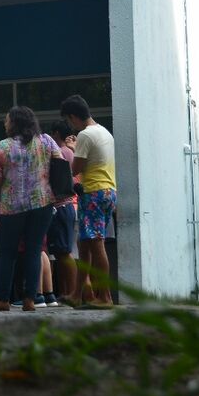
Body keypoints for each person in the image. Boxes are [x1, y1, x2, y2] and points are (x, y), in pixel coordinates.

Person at [0, 106, 62, 312]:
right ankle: (30, 299)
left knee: (8, 253)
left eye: (7, 120)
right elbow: (60, 165)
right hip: (42, 203)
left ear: (15, 123)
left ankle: (2, 299)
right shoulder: (46, 141)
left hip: (12, 206)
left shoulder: (2, 147)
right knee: (34, 251)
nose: (5, 123)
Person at [60, 94, 117, 308]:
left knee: (96, 243)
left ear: (74, 117)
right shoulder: (104, 132)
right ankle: (78, 294)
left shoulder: (85, 135)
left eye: (69, 120)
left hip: (92, 192)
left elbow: (76, 169)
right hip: (108, 191)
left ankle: (105, 297)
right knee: (84, 243)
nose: (70, 125)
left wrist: (73, 150)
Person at [46, 120, 79, 304]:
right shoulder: (68, 151)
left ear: (56, 133)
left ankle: (74, 292)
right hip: (64, 206)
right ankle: (68, 293)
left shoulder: (62, 152)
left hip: (61, 206)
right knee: (61, 252)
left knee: (65, 252)